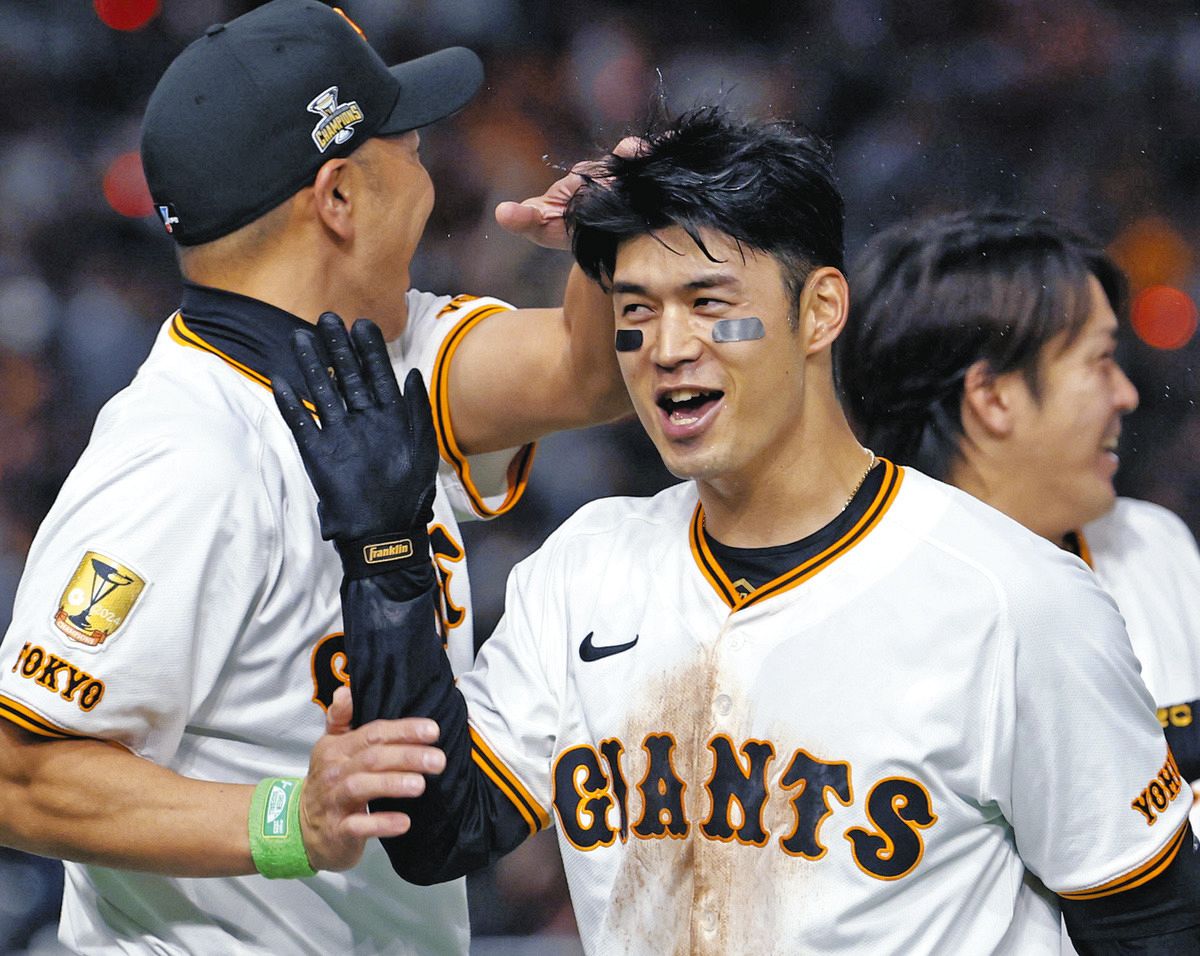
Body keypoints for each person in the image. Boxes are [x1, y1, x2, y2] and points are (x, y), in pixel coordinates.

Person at [275, 107, 1200, 954]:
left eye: (711, 302)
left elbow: (1151, 926)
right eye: (637, 311)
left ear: (821, 310)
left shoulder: (1018, 599)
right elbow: (443, 835)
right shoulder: (587, 568)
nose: (670, 345)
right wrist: (385, 550)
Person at [0, 1, 626, 953]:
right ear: (337, 197)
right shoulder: (185, 456)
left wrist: (609, 239)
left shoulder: (384, 354)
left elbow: (592, 371)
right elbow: (19, 772)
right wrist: (287, 821)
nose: (427, 170)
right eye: (403, 144)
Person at [836, 209, 1200, 816]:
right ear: (992, 396)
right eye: (1100, 360)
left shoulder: (1152, 544)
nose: (1127, 395)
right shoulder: (857, 621)